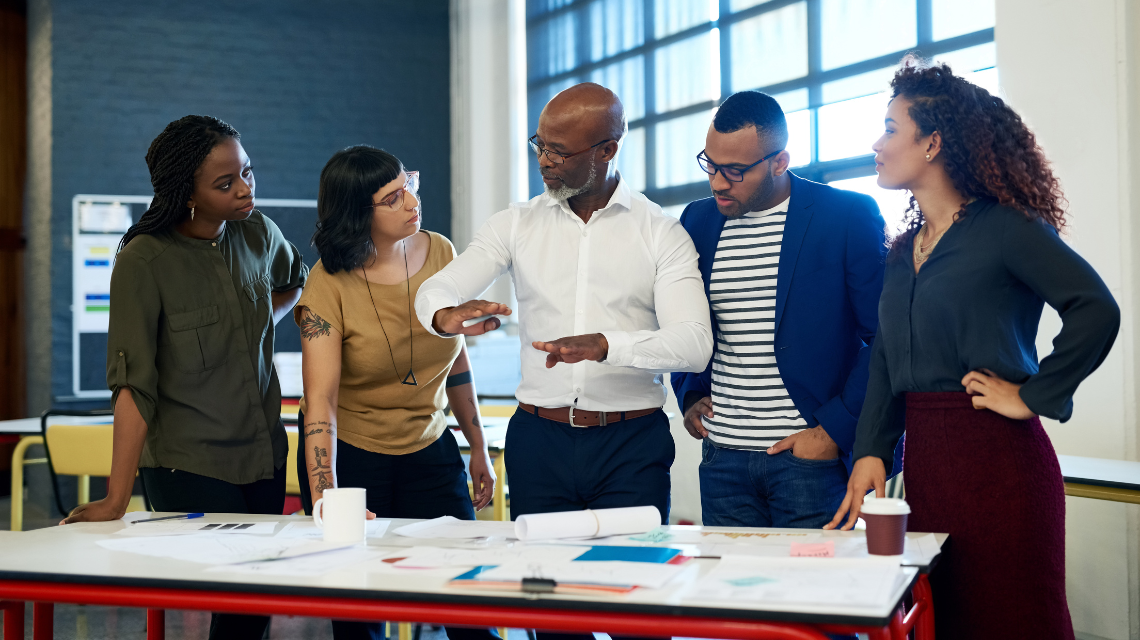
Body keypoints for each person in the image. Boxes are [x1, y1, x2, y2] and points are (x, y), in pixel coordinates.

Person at [827, 60, 1120, 640]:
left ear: (932, 142)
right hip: (929, 468)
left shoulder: (1008, 227)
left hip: (1002, 465)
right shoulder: (903, 248)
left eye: (890, 129)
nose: (876, 145)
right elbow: (886, 357)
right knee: (944, 621)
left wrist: (1033, 393)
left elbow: (1096, 308)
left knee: (1015, 621)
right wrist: (872, 451)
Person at [415, 82, 712, 640]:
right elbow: (439, 287)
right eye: (539, 146)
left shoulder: (660, 232)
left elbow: (694, 342)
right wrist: (445, 317)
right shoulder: (515, 224)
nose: (544, 162)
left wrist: (609, 345)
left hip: (631, 445)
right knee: (551, 617)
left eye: (560, 152)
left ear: (607, 149)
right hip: (540, 443)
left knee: (638, 613)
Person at [61, 115, 308, 640]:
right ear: (187, 194)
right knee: (236, 606)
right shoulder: (144, 260)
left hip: (263, 454)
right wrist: (115, 497)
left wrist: (261, 318)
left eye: (247, 172)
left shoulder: (259, 232)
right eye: (225, 183)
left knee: (256, 606)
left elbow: (294, 284)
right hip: (188, 464)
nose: (245, 189)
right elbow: (133, 385)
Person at [296, 145, 498, 640]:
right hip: (354, 456)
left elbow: (456, 360)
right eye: (392, 198)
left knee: (469, 605)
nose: (411, 203)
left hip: (430, 448)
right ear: (356, 214)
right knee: (360, 619)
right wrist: (327, 496)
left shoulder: (442, 253)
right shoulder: (328, 284)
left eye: (409, 184)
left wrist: (478, 448)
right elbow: (319, 398)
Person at [671, 91, 894, 529]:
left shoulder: (846, 215)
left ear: (779, 161)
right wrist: (689, 391)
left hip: (808, 460)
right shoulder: (697, 221)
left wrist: (833, 430)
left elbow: (885, 336)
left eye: (735, 171)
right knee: (732, 595)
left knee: (815, 595)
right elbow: (683, 318)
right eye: (710, 165)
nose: (717, 182)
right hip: (723, 460)